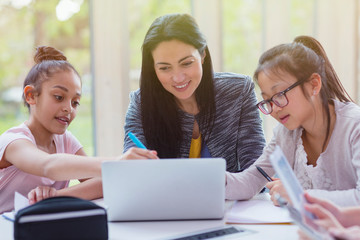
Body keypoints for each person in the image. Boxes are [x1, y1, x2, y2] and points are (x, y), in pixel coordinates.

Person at [0, 46, 158, 213]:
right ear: (31, 95)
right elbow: (48, 166)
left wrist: (56, 197)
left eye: (75, 102)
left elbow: (102, 182)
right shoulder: (13, 141)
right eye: (59, 97)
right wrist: (118, 162)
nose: (68, 109)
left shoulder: (65, 140)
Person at [225, 35, 360, 206]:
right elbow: (251, 180)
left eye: (280, 94)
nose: (274, 109)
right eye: (268, 101)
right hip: (311, 231)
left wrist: (298, 195)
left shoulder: (354, 126)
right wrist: (213, 178)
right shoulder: (287, 134)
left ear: (314, 84)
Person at [123, 13, 265, 173]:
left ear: (203, 55)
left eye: (186, 63)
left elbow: (256, 169)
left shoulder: (239, 92)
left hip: (229, 197)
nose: (178, 78)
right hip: (164, 198)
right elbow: (132, 171)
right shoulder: (141, 103)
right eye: (164, 68)